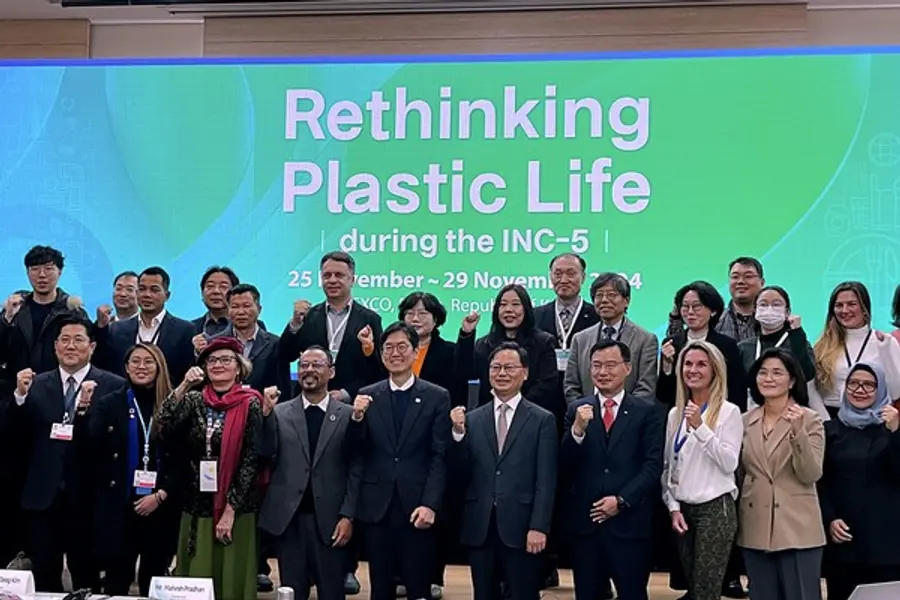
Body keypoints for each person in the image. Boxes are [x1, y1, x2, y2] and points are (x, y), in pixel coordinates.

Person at [6, 315, 128, 592]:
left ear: (92, 346)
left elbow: (116, 442)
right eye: (64, 340)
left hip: (88, 495)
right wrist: (19, 397)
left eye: (78, 340)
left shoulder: (114, 385)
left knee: (86, 574)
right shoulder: (35, 383)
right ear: (55, 346)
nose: (70, 346)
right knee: (44, 574)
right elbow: (15, 434)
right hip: (43, 495)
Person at [157, 336, 263, 600]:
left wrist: (230, 510)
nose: (218, 365)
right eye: (212, 360)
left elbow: (250, 460)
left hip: (235, 505)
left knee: (230, 575)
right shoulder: (194, 400)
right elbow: (163, 422)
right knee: (197, 570)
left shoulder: (251, 402)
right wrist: (184, 384)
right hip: (196, 500)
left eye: (226, 360)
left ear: (239, 367)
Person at [450, 341, 557, 600]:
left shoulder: (542, 419)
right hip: (481, 527)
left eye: (509, 367)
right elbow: (460, 474)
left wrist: (539, 527)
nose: (502, 373)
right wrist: (458, 435)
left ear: (525, 372)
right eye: (495, 367)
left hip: (522, 528)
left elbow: (546, 480)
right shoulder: (472, 419)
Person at [351, 322, 450, 600]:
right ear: (381, 354)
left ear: (415, 352)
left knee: (418, 586)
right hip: (377, 506)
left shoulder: (436, 396)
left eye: (402, 347)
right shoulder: (368, 395)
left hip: (417, 506)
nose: (395, 353)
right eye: (388, 348)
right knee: (380, 587)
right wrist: (356, 419)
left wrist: (430, 504)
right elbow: (356, 451)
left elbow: (439, 455)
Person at [560, 340, 664, 600]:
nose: (602, 372)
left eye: (610, 365)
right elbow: (565, 463)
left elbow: (652, 466)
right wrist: (577, 430)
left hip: (629, 525)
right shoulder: (577, 410)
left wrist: (621, 501)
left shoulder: (646, 411)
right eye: (596, 366)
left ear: (627, 368)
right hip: (587, 525)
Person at [257, 346, 363, 600]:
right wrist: (265, 415)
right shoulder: (278, 412)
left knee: (332, 592)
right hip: (289, 520)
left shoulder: (349, 415)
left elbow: (356, 468)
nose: (309, 370)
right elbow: (263, 454)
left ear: (331, 372)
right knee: (292, 592)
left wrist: (348, 515)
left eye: (317, 365)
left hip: (331, 521)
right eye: (303, 365)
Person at [399, 291, 471, 599]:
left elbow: (463, 376)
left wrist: (466, 336)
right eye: (410, 313)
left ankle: (432, 576)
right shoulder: (395, 350)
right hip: (399, 441)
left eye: (423, 313)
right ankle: (400, 575)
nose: (415, 319)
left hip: (435, 437)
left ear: (437, 318)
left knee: (433, 508)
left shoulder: (448, 350)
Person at [738, 347, 825, 600]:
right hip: (755, 526)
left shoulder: (810, 419)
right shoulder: (744, 420)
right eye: (763, 372)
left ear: (792, 380)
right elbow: (740, 473)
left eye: (777, 373)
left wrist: (798, 433)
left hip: (798, 530)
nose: (768, 378)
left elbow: (810, 474)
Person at [661, 341, 743, 600]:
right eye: (687, 363)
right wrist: (673, 507)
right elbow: (669, 466)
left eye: (701, 364)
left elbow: (729, 463)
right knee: (694, 586)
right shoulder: (675, 413)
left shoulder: (729, 412)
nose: (693, 370)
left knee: (706, 591)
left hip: (715, 508)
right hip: (683, 510)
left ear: (714, 370)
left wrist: (700, 427)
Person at [99, 343, 180, 597]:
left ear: (159, 366)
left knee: (153, 580)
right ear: (126, 367)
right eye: (135, 361)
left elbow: (183, 459)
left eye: (148, 361)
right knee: (116, 580)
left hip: (160, 505)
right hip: (120, 505)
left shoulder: (174, 404)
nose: (141, 367)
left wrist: (160, 495)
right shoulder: (111, 403)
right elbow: (94, 451)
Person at [818, 363, 900, 600]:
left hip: (886, 545)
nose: (860, 390)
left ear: (881, 389)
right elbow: (820, 481)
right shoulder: (830, 430)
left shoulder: (891, 429)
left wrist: (896, 433)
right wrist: (829, 518)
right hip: (844, 541)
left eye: (869, 385)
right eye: (853, 383)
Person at [458, 284, 558, 411]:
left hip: (530, 413)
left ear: (526, 309)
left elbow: (546, 384)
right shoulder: (484, 344)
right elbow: (464, 373)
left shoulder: (543, 342)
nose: (509, 309)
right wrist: (467, 334)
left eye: (515, 304)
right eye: (503, 304)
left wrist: (515, 408)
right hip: (491, 414)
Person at [811, 281, 900, 418]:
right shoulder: (822, 346)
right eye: (839, 305)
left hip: (874, 421)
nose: (845, 310)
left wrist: (886, 351)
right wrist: (825, 422)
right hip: (832, 419)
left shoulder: (884, 342)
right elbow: (811, 389)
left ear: (864, 308)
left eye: (852, 304)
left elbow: (896, 392)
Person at [95, 266, 196, 387]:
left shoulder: (185, 330)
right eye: (142, 289)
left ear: (167, 295)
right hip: (125, 396)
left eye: (154, 290)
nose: (147, 295)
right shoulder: (116, 329)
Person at [657, 281, 746, 412]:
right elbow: (663, 395)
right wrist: (667, 367)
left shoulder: (727, 345)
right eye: (685, 306)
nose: (690, 312)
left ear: (713, 311)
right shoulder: (671, 343)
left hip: (717, 414)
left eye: (697, 306)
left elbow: (737, 391)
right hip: (681, 413)